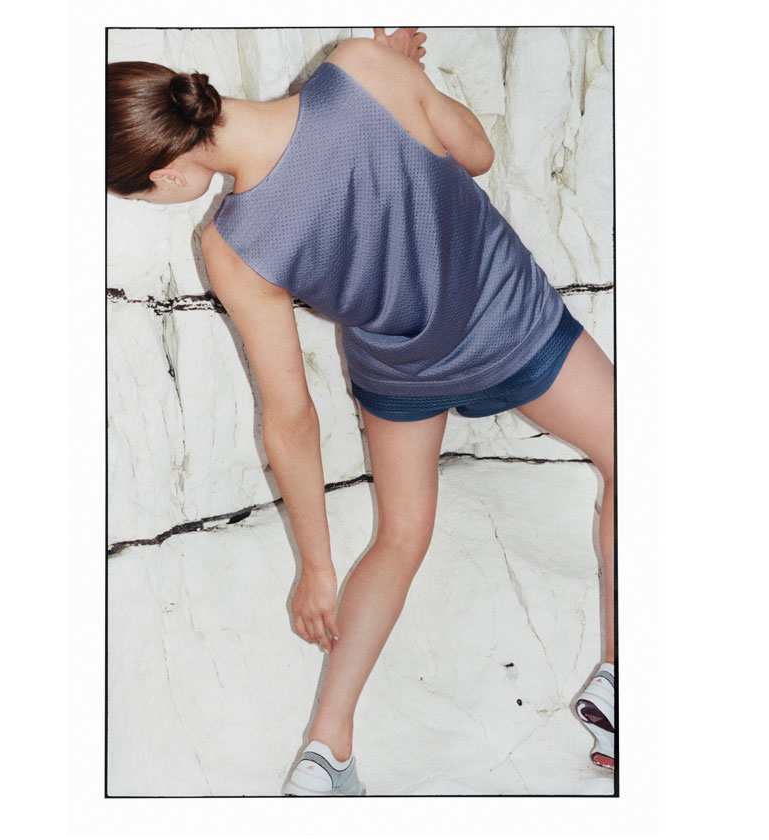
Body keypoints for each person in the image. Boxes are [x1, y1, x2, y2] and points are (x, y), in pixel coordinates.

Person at [107, 28, 616, 795]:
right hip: (501, 317)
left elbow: (291, 419)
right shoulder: (360, 65)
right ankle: (620, 677)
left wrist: (316, 567)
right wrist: (409, 78)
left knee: (400, 538)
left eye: (140, 194)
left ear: (169, 172)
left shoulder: (230, 248)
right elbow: (477, 154)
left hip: (399, 365)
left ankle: (327, 752)